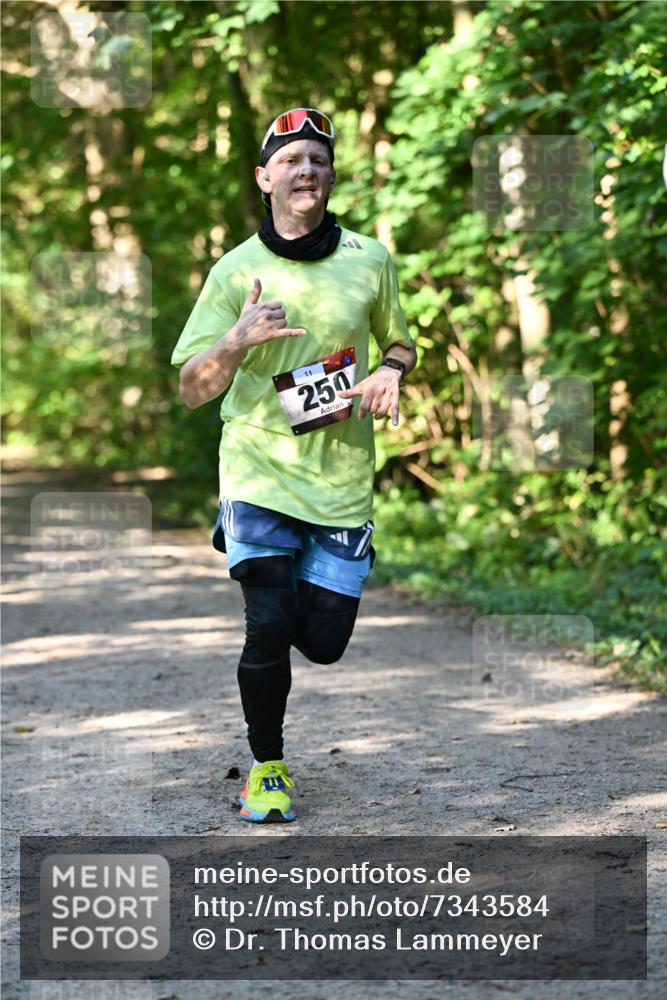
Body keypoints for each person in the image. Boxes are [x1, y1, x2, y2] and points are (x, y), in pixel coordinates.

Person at [171, 107, 416, 823]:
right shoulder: (234, 271)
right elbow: (190, 388)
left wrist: (391, 371)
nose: (305, 170)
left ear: (330, 177)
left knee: (325, 642)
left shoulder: (370, 259)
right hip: (257, 466)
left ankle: (316, 591)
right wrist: (235, 341)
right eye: (290, 160)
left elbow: (400, 344)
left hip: (340, 476)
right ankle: (267, 767)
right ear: (263, 178)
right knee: (268, 618)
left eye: (317, 160)